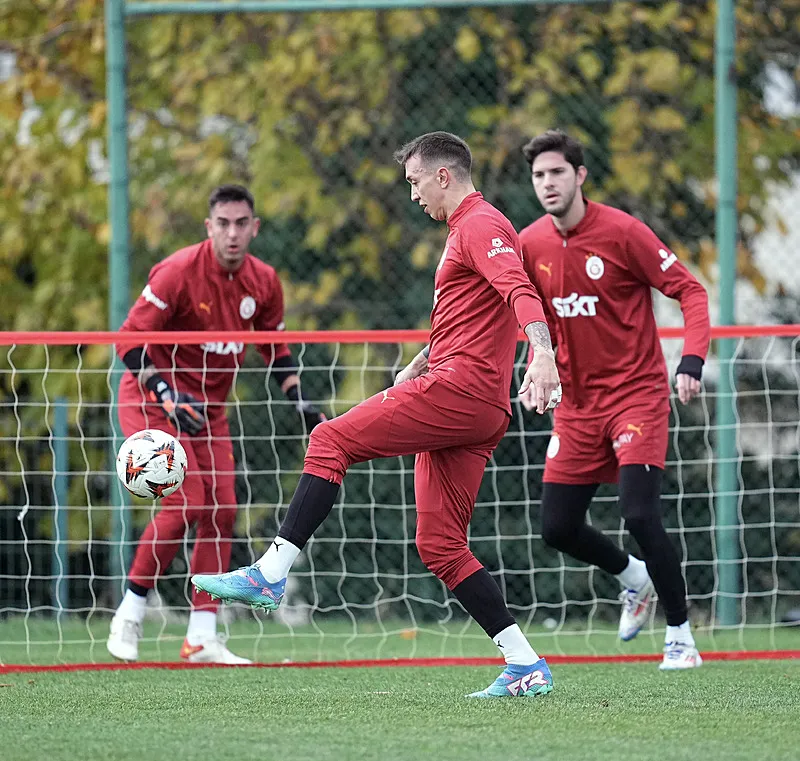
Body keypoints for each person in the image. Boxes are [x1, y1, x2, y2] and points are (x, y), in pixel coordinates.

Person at [192, 132, 561, 698]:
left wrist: (542, 354)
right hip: (474, 402)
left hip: (461, 391)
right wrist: (418, 361)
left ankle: (268, 572)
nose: (413, 195)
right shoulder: (464, 229)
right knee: (441, 545)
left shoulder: (480, 224)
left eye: (415, 182)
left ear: (443, 176)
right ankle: (525, 663)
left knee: (329, 439)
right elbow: (469, 318)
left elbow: (520, 292)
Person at [107, 184, 325, 665]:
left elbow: (276, 347)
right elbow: (127, 339)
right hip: (152, 399)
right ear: (209, 227)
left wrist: (301, 400)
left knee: (223, 509)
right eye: (222, 224)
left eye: (241, 224)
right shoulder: (177, 272)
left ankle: (201, 636)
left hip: (209, 409)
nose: (232, 233)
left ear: (254, 228)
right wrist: (166, 393)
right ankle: (130, 610)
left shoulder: (264, 281)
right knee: (187, 502)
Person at [518, 130, 710, 670]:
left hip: (637, 396)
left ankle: (680, 637)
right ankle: (635, 578)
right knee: (556, 527)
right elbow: (520, 314)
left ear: (579, 176)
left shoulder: (623, 232)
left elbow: (690, 291)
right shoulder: (529, 244)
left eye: (557, 172)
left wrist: (691, 359)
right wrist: (535, 364)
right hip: (577, 406)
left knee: (639, 512)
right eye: (539, 176)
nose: (548, 183)